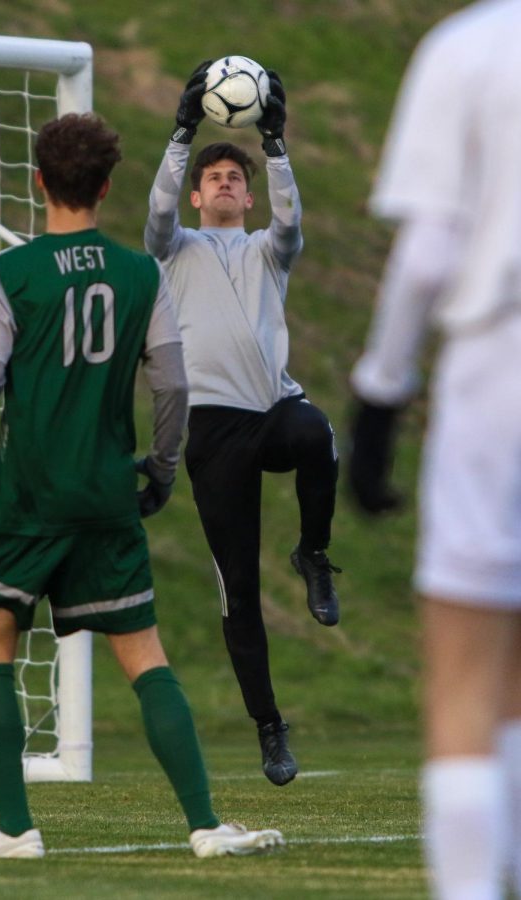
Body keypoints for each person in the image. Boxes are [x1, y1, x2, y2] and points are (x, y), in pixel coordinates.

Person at [0, 112, 284, 860]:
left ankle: (14, 830)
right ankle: (202, 826)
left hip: (26, 492)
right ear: (104, 186)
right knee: (144, 654)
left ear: (40, 182)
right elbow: (172, 384)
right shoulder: (140, 273)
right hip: (105, 490)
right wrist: (161, 468)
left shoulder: (8, 272)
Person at [348, 2, 521, 897]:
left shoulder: (472, 46)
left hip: (501, 366)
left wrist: (380, 392)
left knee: (467, 668)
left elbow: (425, 258)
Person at [145, 63, 340, 787]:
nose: (225, 182)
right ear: (198, 194)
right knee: (238, 591)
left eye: (236, 176)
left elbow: (290, 223)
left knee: (316, 434)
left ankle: (314, 554)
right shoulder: (174, 249)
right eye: (214, 177)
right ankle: (269, 728)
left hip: (273, 412)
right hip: (213, 430)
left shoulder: (267, 249)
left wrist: (278, 145)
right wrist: (181, 134)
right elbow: (156, 217)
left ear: (248, 194)